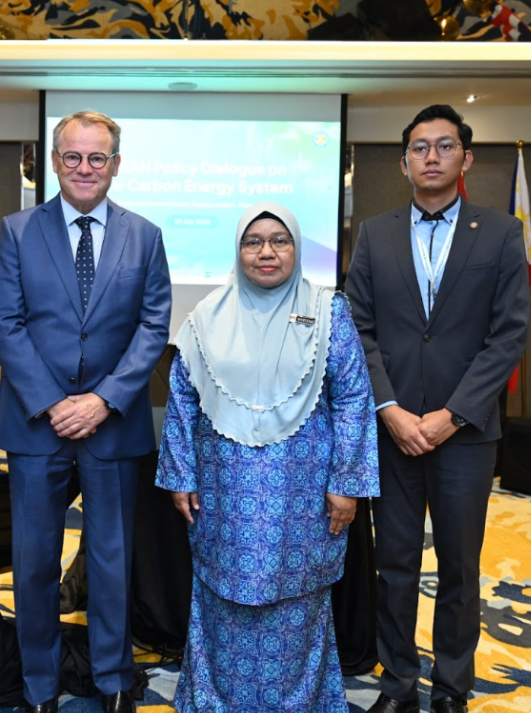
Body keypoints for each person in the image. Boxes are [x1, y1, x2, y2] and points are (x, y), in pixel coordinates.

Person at [157, 202, 379, 713]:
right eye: (253, 241)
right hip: (224, 493)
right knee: (224, 596)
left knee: (296, 598)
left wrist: (347, 483)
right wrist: (180, 474)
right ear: (238, 251)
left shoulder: (329, 311)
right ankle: (217, 700)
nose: (266, 252)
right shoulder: (204, 317)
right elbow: (183, 400)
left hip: (304, 495)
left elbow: (352, 398)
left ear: (297, 249)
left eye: (279, 240)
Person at [345, 105, 529, 713]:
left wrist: (452, 415)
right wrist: (390, 409)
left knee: (459, 571)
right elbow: (359, 330)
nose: (431, 156)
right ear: (403, 163)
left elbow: (508, 336)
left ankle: (452, 690)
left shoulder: (501, 233)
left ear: (465, 159)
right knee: (394, 569)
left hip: (466, 436)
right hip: (392, 433)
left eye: (444, 146)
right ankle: (397, 688)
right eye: (419, 148)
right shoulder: (373, 233)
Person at [0, 111, 172, 713]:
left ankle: (115, 680)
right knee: (34, 561)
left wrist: (102, 400)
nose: (85, 168)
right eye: (73, 157)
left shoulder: (144, 235)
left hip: (112, 425)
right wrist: (52, 402)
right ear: (55, 161)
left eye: (98, 158)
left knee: (111, 561)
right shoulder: (18, 230)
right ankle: (39, 685)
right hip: (35, 425)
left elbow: (152, 327)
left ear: (116, 165)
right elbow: (5, 324)